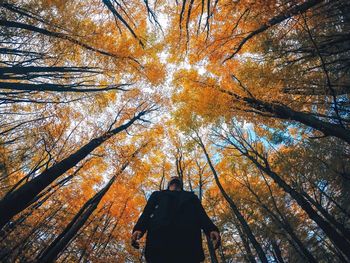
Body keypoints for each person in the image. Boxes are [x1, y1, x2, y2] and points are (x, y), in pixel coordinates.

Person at [131, 176, 221, 263]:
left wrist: (211, 229)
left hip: (188, 247)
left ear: (181, 183)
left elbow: (201, 214)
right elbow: (147, 212)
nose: (175, 178)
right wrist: (139, 228)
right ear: (168, 183)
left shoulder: (191, 197)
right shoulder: (157, 195)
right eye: (172, 177)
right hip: (158, 245)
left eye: (178, 178)